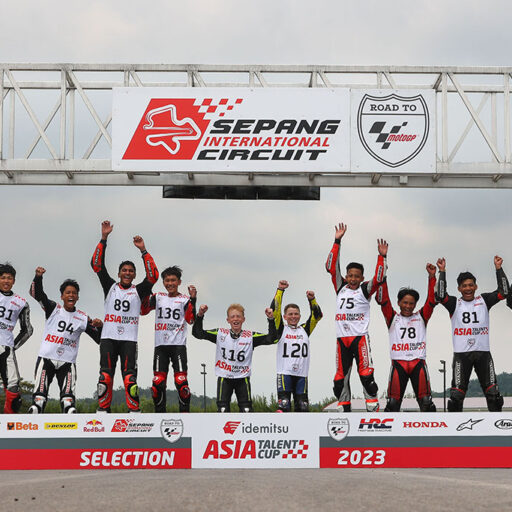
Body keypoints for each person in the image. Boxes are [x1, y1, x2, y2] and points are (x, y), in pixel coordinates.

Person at [91, 220, 158, 412]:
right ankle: (103, 410)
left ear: (134, 275)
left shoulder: (138, 290)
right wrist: (104, 238)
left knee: (130, 378)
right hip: (108, 338)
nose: (127, 273)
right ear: (119, 273)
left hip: (129, 340)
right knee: (105, 376)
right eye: (124, 270)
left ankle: (133, 411)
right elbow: (97, 265)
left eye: (131, 271)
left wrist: (143, 251)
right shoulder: (110, 286)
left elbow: (153, 276)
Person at [325, 222, 387, 412]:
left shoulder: (364, 289)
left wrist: (382, 257)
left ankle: (372, 406)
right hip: (341, 339)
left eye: (356, 276)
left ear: (362, 278)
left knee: (367, 377)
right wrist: (337, 241)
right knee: (339, 380)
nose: (353, 279)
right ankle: (344, 407)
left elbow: (379, 278)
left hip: (359, 338)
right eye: (350, 275)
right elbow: (331, 267)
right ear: (346, 276)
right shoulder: (340, 286)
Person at [436, 256, 509, 412]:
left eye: (471, 285)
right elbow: (440, 295)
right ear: (459, 288)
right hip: (462, 356)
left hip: (483, 354)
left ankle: (496, 426)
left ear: (476, 286)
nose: (468, 288)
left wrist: (498, 268)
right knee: (456, 397)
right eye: (464, 286)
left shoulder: (484, 300)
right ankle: (455, 427)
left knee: (494, 394)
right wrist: (442, 271)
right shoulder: (454, 303)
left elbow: (504, 292)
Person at [28, 267, 102, 413]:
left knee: (68, 403)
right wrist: (38, 277)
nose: (71, 295)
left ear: (78, 297)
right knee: (38, 401)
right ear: (62, 296)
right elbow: (36, 294)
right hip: (47, 358)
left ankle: (70, 422)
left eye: (74, 293)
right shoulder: (53, 308)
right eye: (68, 292)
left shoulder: (83, 318)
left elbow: (99, 339)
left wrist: (100, 326)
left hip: (67, 362)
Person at [192, 302, 276, 412]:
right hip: (224, 377)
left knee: (246, 409)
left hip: (242, 378)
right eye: (232, 317)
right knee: (222, 409)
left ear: (243, 319)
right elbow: (197, 333)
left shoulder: (250, 336)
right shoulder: (220, 334)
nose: (235, 319)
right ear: (228, 320)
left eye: (238, 316)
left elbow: (272, 339)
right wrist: (200, 315)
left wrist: (271, 319)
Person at [375, 263, 437, 412]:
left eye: (411, 303)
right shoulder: (392, 317)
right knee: (392, 404)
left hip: (418, 363)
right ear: (399, 303)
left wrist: (432, 277)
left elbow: (431, 301)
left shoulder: (421, 316)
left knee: (426, 403)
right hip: (399, 364)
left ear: (415, 304)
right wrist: (383, 275)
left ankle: (432, 427)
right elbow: (384, 301)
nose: (408, 306)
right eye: (405, 303)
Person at [141, 266, 196, 412]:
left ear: (179, 282)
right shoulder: (158, 297)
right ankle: (160, 415)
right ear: (163, 282)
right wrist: (145, 291)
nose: (170, 283)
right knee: (157, 383)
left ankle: (185, 414)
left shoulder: (185, 300)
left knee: (181, 382)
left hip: (178, 346)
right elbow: (143, 310)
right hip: (160, 346)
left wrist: (193, 300)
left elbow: (191, 320)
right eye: (167, 280)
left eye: (173, 280)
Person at [269, 280, 322, 412]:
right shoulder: (281, 328)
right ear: (285, 316)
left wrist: (312, 300)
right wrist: (280, 290)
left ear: (300, 315)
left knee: (303, 408)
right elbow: (275, 309)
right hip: (285, 373)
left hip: (301, 374)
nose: (293, 316)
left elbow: (317, 316)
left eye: (296, 314)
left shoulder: (305, 329)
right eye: (290, 314)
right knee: (284, 406)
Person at [0, 263, 33, 413]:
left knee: (13, 390)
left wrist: (13, 347)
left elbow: (28, 330)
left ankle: (9, 423)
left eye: (9, 278)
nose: (6, 281)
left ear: (13, 281)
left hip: (6, 349)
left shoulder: (21, 303)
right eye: (3, 277)